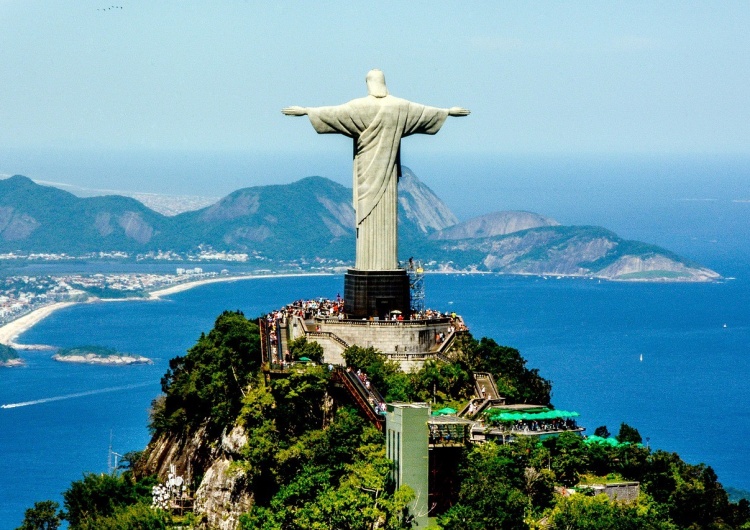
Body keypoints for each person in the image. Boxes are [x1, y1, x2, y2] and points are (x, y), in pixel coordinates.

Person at [283, 70, 469, 271]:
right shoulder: (399, 106)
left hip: (366, 173)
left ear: (368, 83)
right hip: (387, 173)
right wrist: (447, 112)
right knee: (380, 217)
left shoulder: (359, 107)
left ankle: (369, 265)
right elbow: (424, 113)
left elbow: (333, 113)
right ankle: (384, 265)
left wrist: (306, 111)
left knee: (366, 216)